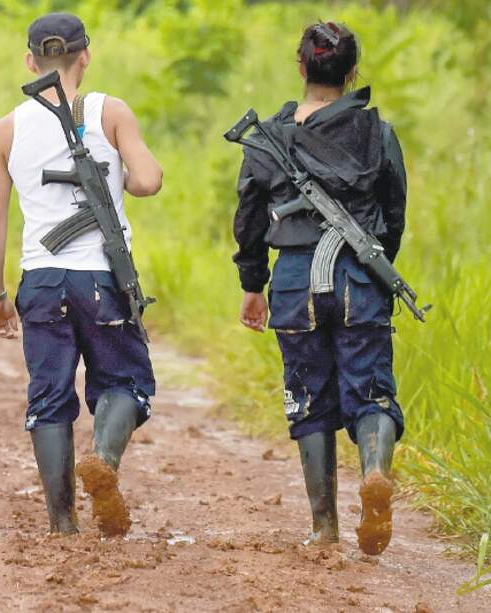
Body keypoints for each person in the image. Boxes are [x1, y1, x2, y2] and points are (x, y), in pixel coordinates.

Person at [0, 13, 163, 536]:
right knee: (125, 381)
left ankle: (62, 522)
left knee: (49, 396)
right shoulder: (110, 111)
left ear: (30, 62)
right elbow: (148, 181)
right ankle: (103, 457)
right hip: (103, 279)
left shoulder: (7, 128)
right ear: (86, 55)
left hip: (40, 279)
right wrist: (117, 175)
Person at [232, 22, 407, 555]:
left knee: (307, 398)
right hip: (360, 275)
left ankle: (323, 527)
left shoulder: (267, 137)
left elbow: (249, 219)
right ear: (351, 72)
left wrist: (253, 284)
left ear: (301, 66)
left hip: (293, 282)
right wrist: (377, 268)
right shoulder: (378, 133)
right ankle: (375, 471)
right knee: (371, 391)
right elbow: (394, 215)